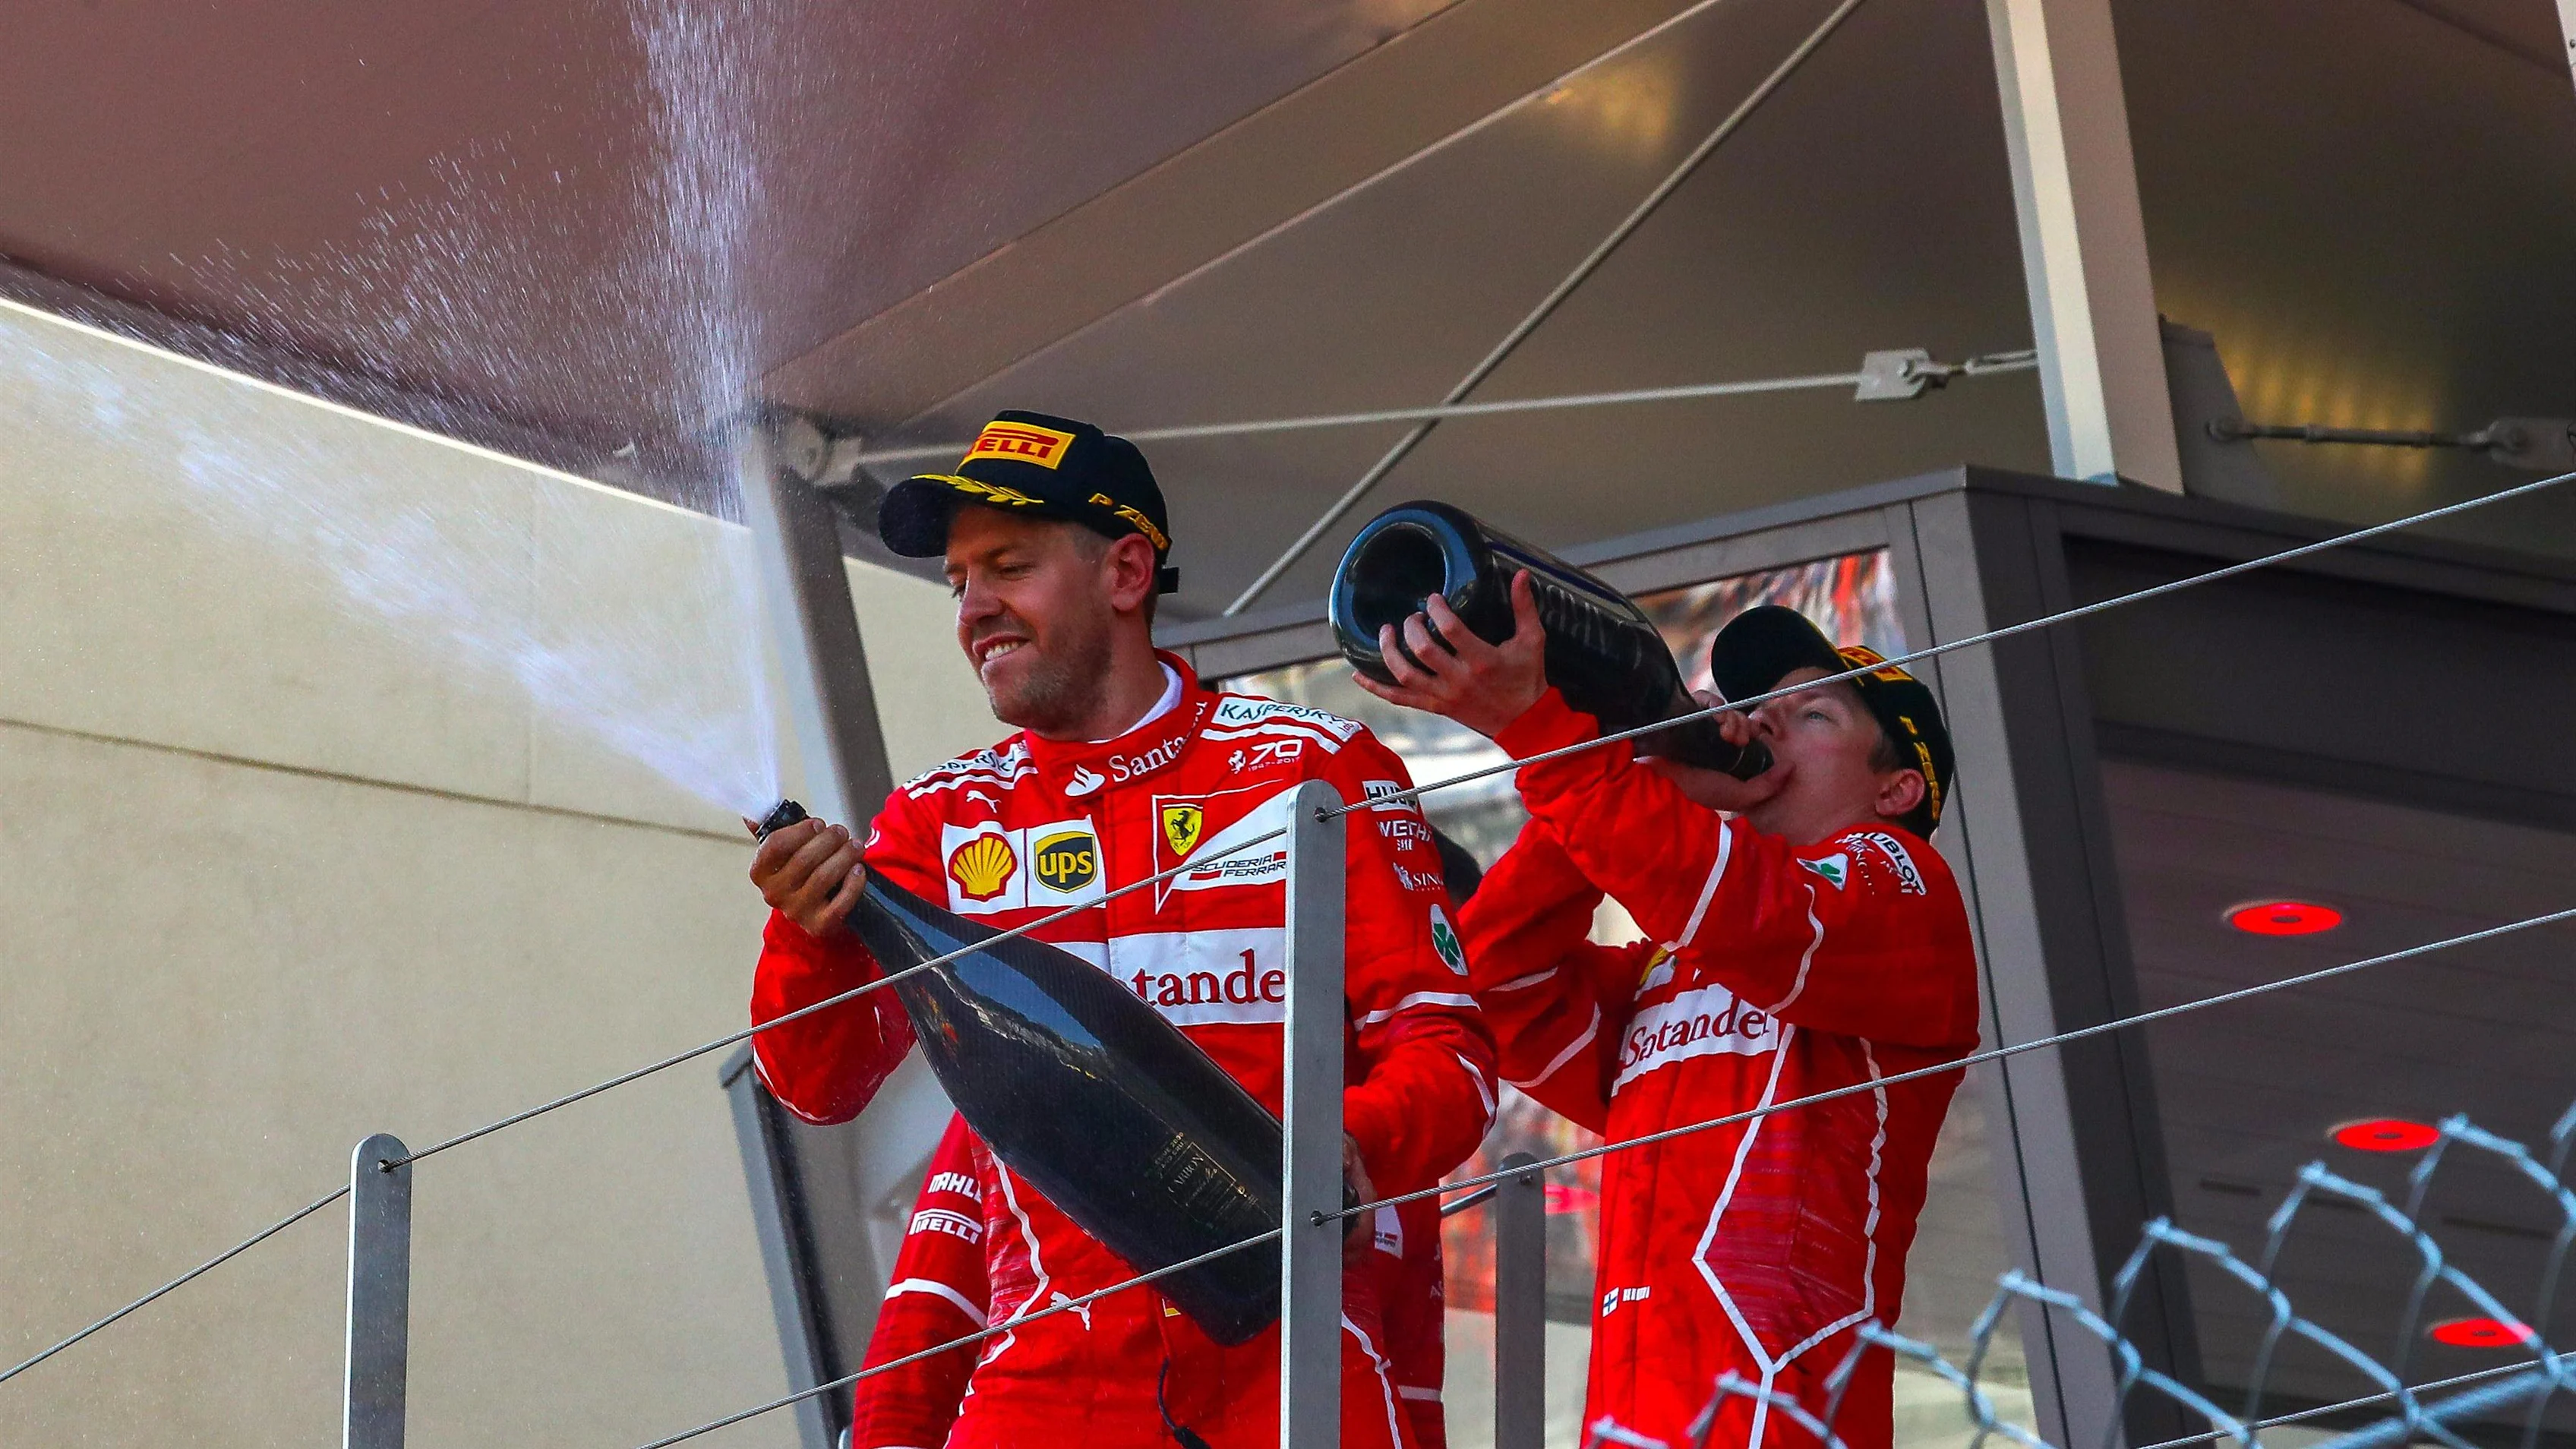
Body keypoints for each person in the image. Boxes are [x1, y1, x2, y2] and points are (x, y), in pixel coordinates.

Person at [747, 411, 1498, 1449]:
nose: (973, 609)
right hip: (1046, 1374)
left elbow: (1451, 1057)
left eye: (1006, 566)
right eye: (959, 581)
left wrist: (1334, 1158)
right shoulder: (939, 818)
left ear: (1128, 572)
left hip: (1294, 1354)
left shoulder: (1316, 766)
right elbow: (817, 1087)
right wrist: (808, 932)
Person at [1353, 579, 1981, 1449]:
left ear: (1897, 789)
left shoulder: (1900, 880)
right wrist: (1634, 769)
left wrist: (1551, 738)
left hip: (1778, 1412)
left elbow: (1755, 912)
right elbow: (1489, 986)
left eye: (1812, 717)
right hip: (1633, 1415)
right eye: (1757, 706)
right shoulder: (1672, 964)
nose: (1761, 723)